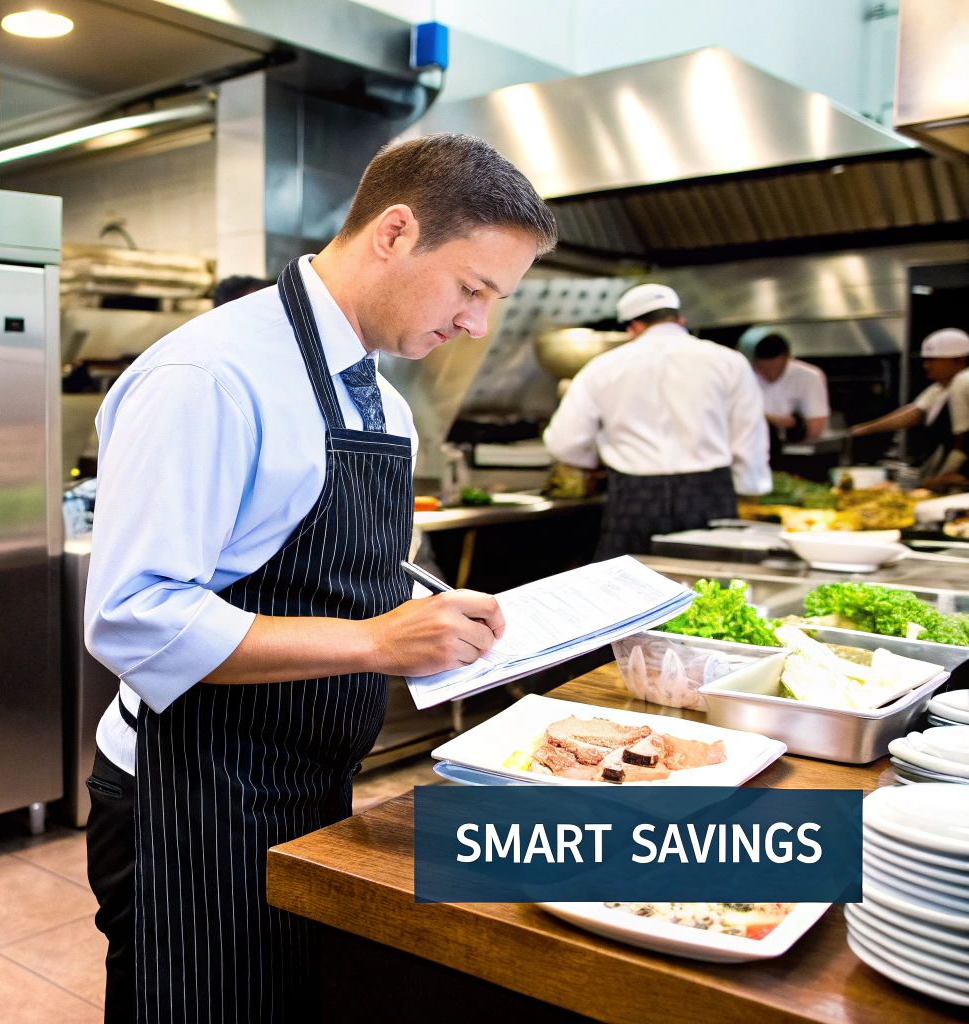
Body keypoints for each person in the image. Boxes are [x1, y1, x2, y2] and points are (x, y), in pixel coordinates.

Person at [83, 133, 554, 1022]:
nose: (476, 325)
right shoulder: (211, 375)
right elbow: (133, 616)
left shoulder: (380, 397)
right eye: (471, 287)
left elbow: (335, 570)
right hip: (189, 796)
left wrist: (433, 614)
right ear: (395, 231)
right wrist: (377, 642)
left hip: (306, 777)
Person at [543, 284, 770, 559]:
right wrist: (749, 486)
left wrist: (594, 461)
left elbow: (564, 442)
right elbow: (749, 435)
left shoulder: (602, 367)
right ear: (680, 320)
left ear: (634, 327)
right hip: (708, 494)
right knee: (711, 588)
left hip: (634, 496)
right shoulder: (729, 361)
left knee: (628, 591)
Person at [850, 327, 969, 487]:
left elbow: (963, 438)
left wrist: (949, 473)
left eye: (932, 360)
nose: (926, 365)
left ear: (958, 360)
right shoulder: (940, 387)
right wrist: (862, 429)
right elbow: (915, 412)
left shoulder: (963, 381)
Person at [743, 329, 830, 447]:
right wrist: (772, 420)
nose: (771, 374)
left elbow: (816, 427)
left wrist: (795, 426)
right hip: (751, 446)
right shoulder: (743, 376)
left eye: (777, 368)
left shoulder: (810, 376)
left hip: (796, 449)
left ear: (787, 357)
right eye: (764, 370)